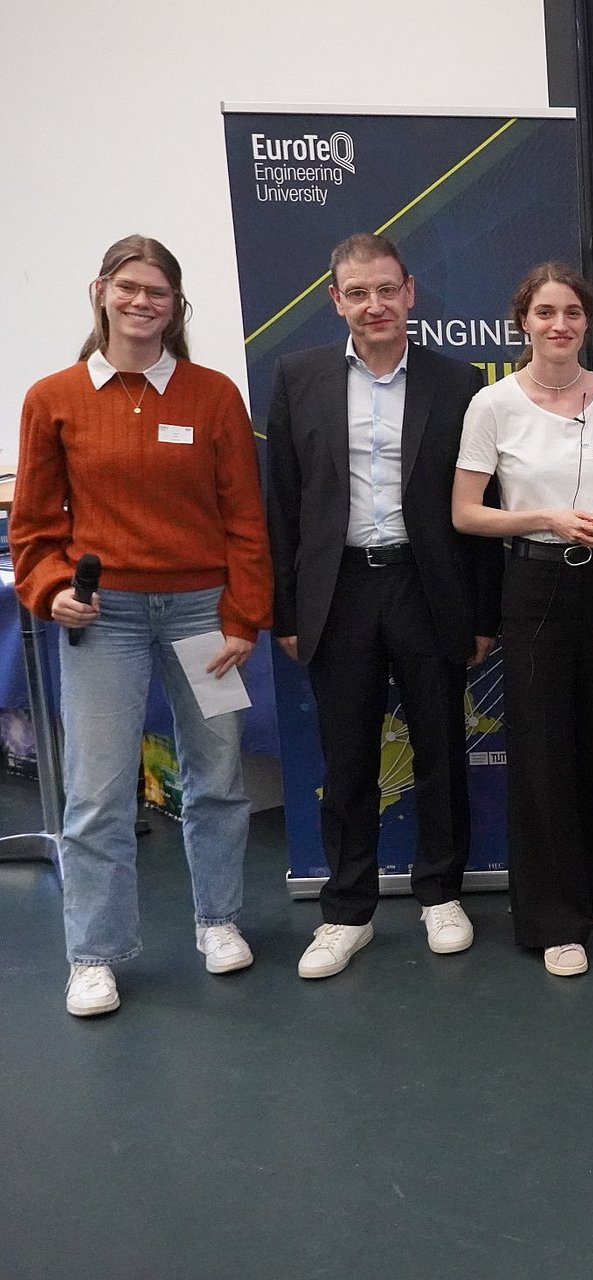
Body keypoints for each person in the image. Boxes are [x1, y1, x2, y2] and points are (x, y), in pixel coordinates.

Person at [12, 234, 272, 1017]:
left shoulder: (213, 396)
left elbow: (245, 518)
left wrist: (243, 617)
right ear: (100, 291)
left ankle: (218, 921)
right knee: (96, 793)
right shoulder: (52, 398)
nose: (141, 302)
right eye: (128, 287)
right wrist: (50, 590)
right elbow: (33, 529)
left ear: (176, 306)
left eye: (157, 291)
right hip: (106, 620)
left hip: (203, 613)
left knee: (217, 779)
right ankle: (93, 956)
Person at [264, 232, 500, 979]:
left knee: (440, 748)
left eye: (387, 290)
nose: (375, 305)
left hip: (426, 587)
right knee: (347, 758)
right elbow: (282, 504)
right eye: (358, 293)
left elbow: (484, 504)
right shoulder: (298, 377)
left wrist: (483, 615)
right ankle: (346, 912)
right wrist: (286, 612)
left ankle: (441, 894)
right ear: (336, 301)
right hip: (337, 591)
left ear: (410, 294)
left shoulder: (457, 383)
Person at [451, 262, 593, 977]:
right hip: (534, 583)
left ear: (587, 321)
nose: (559, 324)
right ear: (523, 323)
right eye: (545, 312)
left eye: (571, 312)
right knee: (542, 750)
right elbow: (465, 513)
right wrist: (546, 518)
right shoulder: (493, 405)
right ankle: (554, 920)